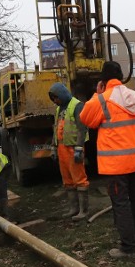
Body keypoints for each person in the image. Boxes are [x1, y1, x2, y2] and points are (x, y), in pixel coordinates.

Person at [80, 61, 135, 258]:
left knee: (121, 203)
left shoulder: (102, 100)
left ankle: (129, 248)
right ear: (122, 77)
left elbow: (85, 118)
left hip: (115, 167)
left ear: (103, 81)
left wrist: (97, 93)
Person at [48, 82, 90, 220]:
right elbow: (56, 128)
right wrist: (54, 147)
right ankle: (74, 209)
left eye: (56, 98)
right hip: (62, 148)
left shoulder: (77, 105)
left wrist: (79, 148)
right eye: (53, 99)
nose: (55, 101)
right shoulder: (58, 109)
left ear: (62, 94)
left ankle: (84, 211)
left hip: (73, 148)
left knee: (79, 179)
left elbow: (82, 128)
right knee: (68, 180)